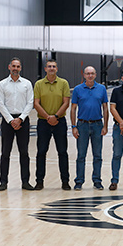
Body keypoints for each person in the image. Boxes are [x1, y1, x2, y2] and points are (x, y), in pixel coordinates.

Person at [0, 57, 34, 191]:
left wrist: (21, 119)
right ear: (9, 67)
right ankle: (3, 182)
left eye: (17, 66)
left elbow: (30, 102)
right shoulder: (2, 84)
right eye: (13, 66)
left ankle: (25, 181)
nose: (15, 69)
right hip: (8, 121)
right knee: (5, 152)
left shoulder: (27, 84)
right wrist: (10, 120)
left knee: (24, 152)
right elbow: (0, 104)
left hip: (23, 121)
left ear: (20, 68)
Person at [33, 59, 71, 190]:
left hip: (59, 122)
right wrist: (48, 117)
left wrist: (55, 117)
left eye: (54, 66)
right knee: (41, 152)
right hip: (43, 122)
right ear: (45, 69)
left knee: (62, 152)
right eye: (49, 66)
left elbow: (66, 102)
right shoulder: (38, 84)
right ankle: (39, 181)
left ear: (57, 69)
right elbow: (36, 103)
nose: (51, 68)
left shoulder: (63, 83)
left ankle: (65, 181)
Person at [70, 66, 109, 191]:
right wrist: (74, 126)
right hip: (82, 125)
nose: (90, 75)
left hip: (98, 125)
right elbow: (73, 109)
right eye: (88, 73)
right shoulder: (77, 89)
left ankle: (97, 180)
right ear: (84, 75)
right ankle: (79, 181)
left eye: (92, 73)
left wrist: (105, 125)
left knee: (97, 155)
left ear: (96, 74)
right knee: (81, 155)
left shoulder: (102, 89)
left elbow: (105, 108)